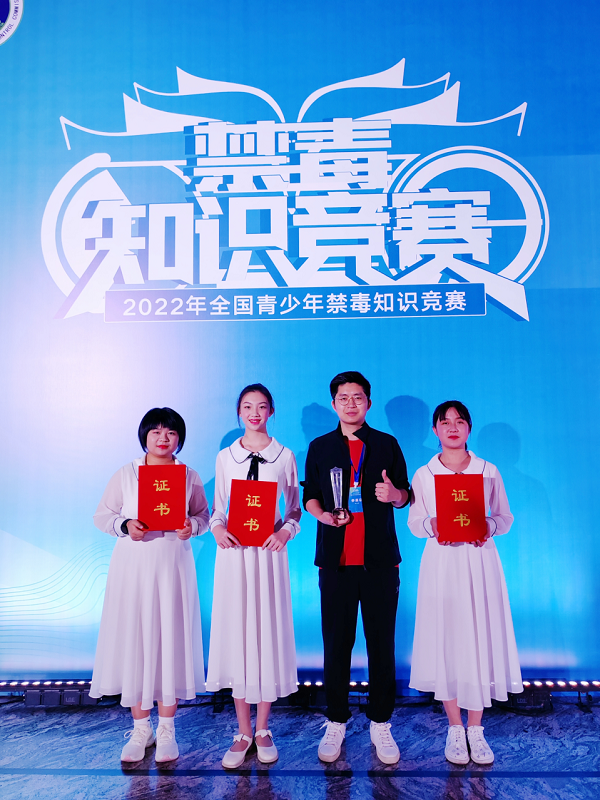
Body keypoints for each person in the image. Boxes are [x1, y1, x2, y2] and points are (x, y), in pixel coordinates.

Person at [303, 371, 410, 765]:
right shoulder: (319, 447)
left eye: (358, 397)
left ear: (369, 403)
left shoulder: (386, 444)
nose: (351, 404)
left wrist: (394, 494)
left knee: (382, 644)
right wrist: (323, 517)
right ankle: (336, 720)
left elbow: (406, 494)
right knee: (336, 643)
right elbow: (310, 495)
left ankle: (381, 722)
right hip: (336, 562)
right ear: (334, 404)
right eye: (343, 398)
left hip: (380, 561)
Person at [90, 408, 209, 763]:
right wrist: (126, 525)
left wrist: (192, 527)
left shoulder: (189, 475)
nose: (163, 438)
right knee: (137, 641)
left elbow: (203, 516)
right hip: (134, 567)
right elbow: (102, 516)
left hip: (172, 565)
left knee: (169, 640)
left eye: (170, 432)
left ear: (179, 439)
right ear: (144, 436)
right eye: (155, 431)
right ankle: (141, 729)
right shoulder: (126, 474)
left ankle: (167, 728)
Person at [408, 401, 523, 765]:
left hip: (479, 561)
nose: (453, 427)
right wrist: (433, 525)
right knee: (447, 638)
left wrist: (488, 525)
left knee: (478, 636)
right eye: (445, 422)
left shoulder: (488, 471)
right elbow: (415, 522)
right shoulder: (424, 474)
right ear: (435, 430)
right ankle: (455, 728)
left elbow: (505, 517)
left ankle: (476, 728)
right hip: (442, 563)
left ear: (469, 428)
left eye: (459, 421)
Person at [206, 384, 301, 769]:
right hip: (234, 556)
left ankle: (263, 729)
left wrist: (284, 533)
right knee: (238, 636)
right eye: (247, 407)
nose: (255, 413)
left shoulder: (285, 456)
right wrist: (217, 529)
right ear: (239, 412)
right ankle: (242, 731)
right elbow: (218, 509)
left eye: (262, 406)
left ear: (271, 411)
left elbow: (294, 510)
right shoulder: (225, 457)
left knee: (265, 635)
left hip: (268, 555)